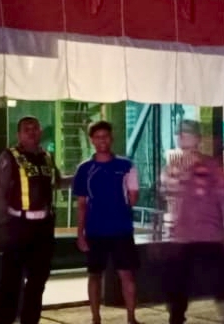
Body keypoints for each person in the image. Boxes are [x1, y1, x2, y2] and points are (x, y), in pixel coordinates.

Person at [160, 119, 224, 324]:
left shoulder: (211, 167)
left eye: (187, 134)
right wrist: (169, 232)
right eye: (180, 134)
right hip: (183, 236)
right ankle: (176, 317)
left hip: (210, 234)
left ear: (198, 138)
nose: (182, 137)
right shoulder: (172, 168)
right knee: (176, 284)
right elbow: (169, 200)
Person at [0, 116, 71, 324]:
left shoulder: (47, 157)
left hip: (43, 228)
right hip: (18, 226)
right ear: (18, 134)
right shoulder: (9, 156)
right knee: (11, 281)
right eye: (26, 129)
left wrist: (80, 176)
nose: (32, 132)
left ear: (40, 132)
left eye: (35, 128)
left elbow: (57, 182)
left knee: (38, 281)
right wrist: (4, 226)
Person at [73, 121, 140, 324]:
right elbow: (82, 204)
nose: (102, 140)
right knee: (94, 275)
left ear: (112, 138)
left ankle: (131, 317)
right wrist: (80, 234)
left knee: (126, 274)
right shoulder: (84, 169)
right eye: (98, 137)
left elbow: (133, 197)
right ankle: (96, 317)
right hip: (95, 230)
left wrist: (126, 200)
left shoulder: (126, 166)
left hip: (121, 229)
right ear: (92, 140)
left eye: (106, 136)